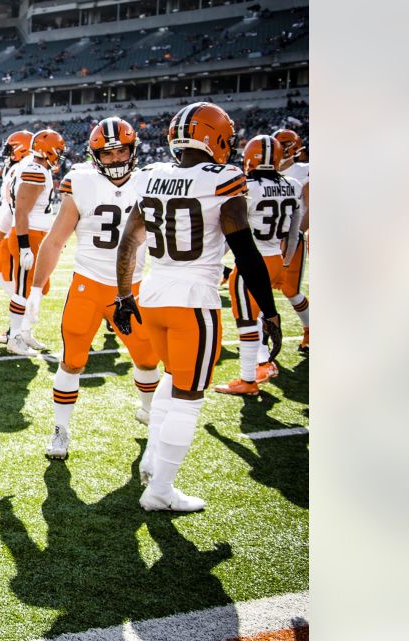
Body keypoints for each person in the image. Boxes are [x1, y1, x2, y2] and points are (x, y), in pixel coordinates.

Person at [112, 102, 281, 512]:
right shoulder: (224, 179)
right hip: (193, 301)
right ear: (217, 139)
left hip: (152, 296)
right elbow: (245, 251)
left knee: (172, 380)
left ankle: (152, 459)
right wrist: (270, 310)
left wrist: (123, 295)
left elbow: (129, 243)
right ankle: (161, 492)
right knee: (189, 398)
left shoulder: (151, 176)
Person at [27, 117, 159, 460]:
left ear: (133, 150)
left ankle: (149, 411)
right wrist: (36, 292)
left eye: (121, 152)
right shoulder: (81, 180)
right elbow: (55, 241)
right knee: (72, 362)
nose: (115, 159)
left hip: (133, 287)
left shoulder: (151, 180)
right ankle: (61, 430)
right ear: (94, 154)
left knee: (147, 358)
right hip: (88, 284)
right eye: (107, 153)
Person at [215, 134, 303, 396]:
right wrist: (286, 263)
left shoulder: (245, 186)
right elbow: (295, 229)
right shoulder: (294, 184)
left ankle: (248, 379)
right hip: (275, 256)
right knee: (257, 315)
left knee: (245, 319)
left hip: (251, 259)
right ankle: (263, 364)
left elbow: (233, 227)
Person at [6, 129, 64, 356]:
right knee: (21, 289)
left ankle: (25, 332)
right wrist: (24, 246)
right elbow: (21, 212)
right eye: (57, 150)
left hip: (34, 233)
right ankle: (14, 337)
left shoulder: (32, 166)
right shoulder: (35, 170)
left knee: (33, 289)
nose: (59, 155)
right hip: (27, 234)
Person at [0, 130, 33, 345]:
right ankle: (19, 326)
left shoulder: (28, 168)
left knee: (20, 284)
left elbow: (21, 209)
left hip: (19, 232)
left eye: (12, 147)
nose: (8, 152)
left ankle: (19, 329)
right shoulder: (16, 169)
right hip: (9, 229)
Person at [272, 128, 310, 352]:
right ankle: (258, 340)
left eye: (283, 144)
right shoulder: (268, 172)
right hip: (267, 239)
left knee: (290, 290)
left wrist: (292, 237)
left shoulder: (305, 171)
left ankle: (310, 329)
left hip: (290, 238)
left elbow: (309, 210)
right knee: (256, 291)